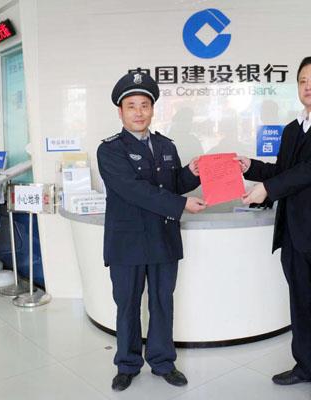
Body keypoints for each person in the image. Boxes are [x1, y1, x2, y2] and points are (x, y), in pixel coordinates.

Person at [236, 54, 311, 400]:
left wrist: (268, 189)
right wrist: (250, 167)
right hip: (294, 233)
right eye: (303, 80)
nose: (308, 86)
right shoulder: (292, 129)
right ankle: (306, 366)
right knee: (302, 306)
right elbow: (284, 172)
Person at [97, 70, 206, 392]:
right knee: (127, 305)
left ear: (152, 109)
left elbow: (174, 184)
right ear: (120, 112)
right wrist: (181, 205)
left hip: (162, 238)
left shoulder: (165, 145)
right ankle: (127, 364)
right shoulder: (110, 150)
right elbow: (135, 190)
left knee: (162, 302)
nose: (139, 112)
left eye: (144, 105)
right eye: (131, 106)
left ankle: (162, 362)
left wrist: (192, 172)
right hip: (126, 242)